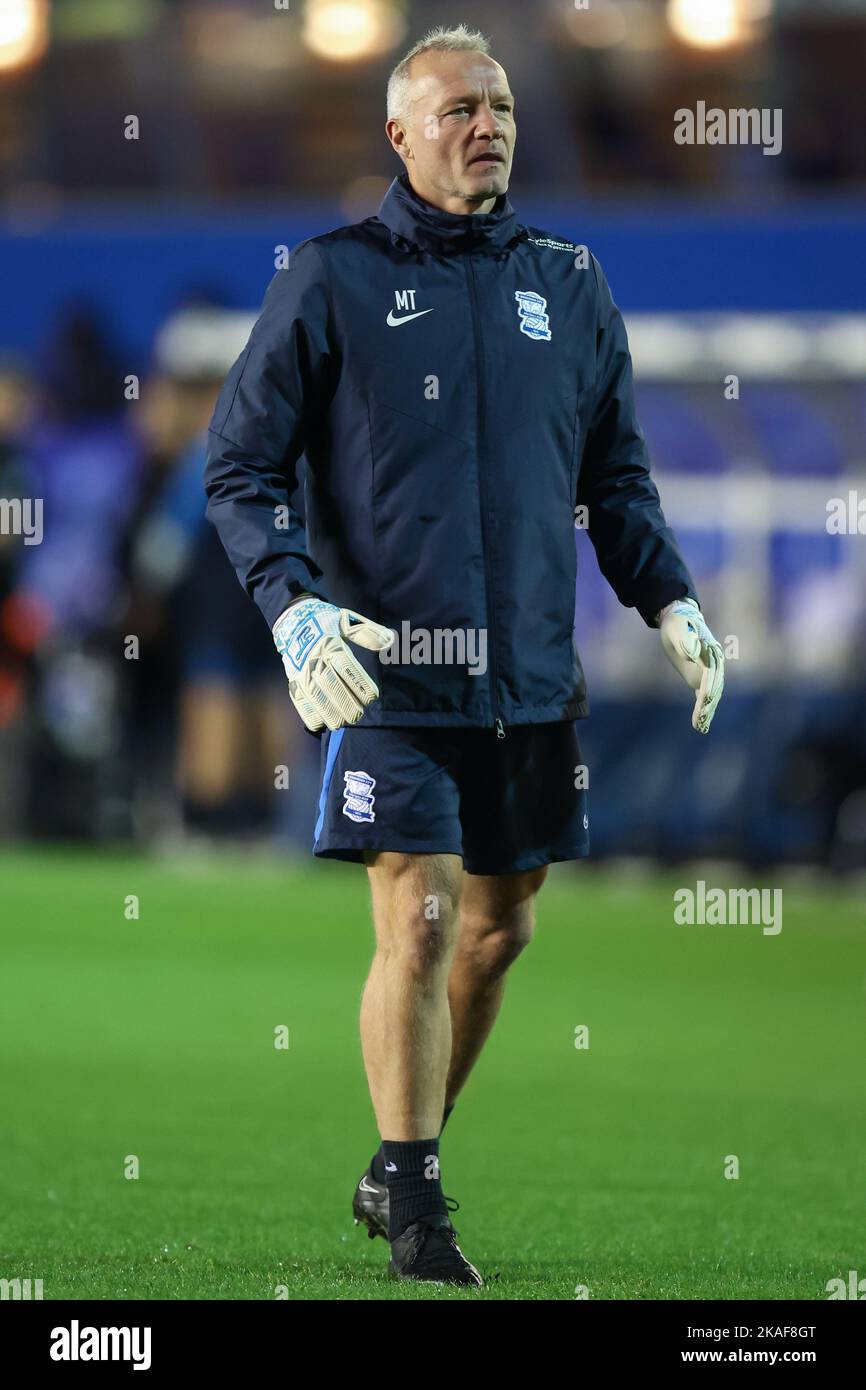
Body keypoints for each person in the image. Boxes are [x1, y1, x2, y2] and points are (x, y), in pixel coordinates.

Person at [204, 24, 724, 1287]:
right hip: (387, 668)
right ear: (398, 135)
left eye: (496, 105)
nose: (485, 123)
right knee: (423, 914)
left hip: (529, 671)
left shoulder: (571, 280)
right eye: (456, 109)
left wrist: (666, 595)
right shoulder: (327, 279)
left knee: (499, 931)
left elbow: (615, 474)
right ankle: (422, 1205)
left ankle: (398, 1159)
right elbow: (239, 466)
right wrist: (292, 606)